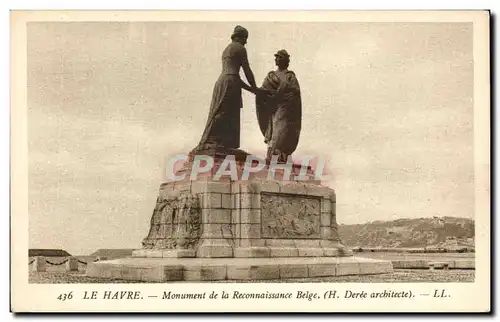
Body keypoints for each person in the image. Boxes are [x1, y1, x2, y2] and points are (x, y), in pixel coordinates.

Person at [195, 25, 262, 151]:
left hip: (223, 81)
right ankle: (217, 141)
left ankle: (219, 141)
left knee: (220, 110)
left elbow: (234, 75)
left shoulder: (227, 49)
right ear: (239, 37)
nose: (246, 41)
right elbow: (246, 70)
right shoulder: (240, 48)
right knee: (226, 112)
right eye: (245, 38)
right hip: (230, 83)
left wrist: (252, 90)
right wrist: (255, 87)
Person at [256, 49, 302, 163]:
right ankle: (273, 156)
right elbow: (264, 91)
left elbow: (295, 93)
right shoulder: (271, 75)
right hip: (272, 108)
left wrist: (282, 96)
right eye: (276, 57)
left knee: (281, 129)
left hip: (286, 109)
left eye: (280, 57)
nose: (277, 59)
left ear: (286, 60)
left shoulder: (290, 76)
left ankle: (278, 155)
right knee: (274, 131)